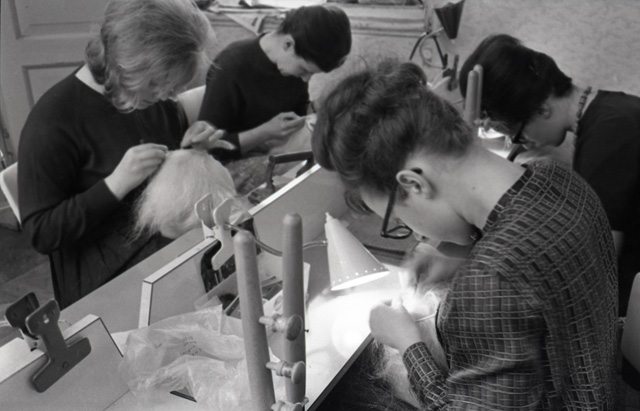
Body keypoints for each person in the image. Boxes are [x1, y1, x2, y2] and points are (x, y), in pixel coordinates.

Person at [312, 60, 618, 409]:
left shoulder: (490, 281)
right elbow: (539, 273)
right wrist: (463, 263)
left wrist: (408, 343)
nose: (414, 232)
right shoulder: (558, 177)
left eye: (397, 217)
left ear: (413, 183)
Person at [18, 0, 224, 309]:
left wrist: (188, 152)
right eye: (158, 84)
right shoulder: (53, 121)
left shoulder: (149, 97)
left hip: (158, 241)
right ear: (127, 66)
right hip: (100, 276)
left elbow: (157, 177)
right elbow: (42, 234)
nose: (169, 95)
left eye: (173, 87)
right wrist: (115, 184)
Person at [459, 34, 640, 319]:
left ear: (542, 108)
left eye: (518, 135)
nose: (525, 143)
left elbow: (597, 259)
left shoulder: (610, 136)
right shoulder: (612, 111)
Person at [198, 4, 351, 160]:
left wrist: (316, 106)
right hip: (230, 163)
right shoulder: (231, 66)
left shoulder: (290, 65)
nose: (306, 79)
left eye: (312, 73)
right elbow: (208, 148)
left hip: (272, 154)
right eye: (304, 70)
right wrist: (265, 132)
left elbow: (296, 111)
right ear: (288, 44)